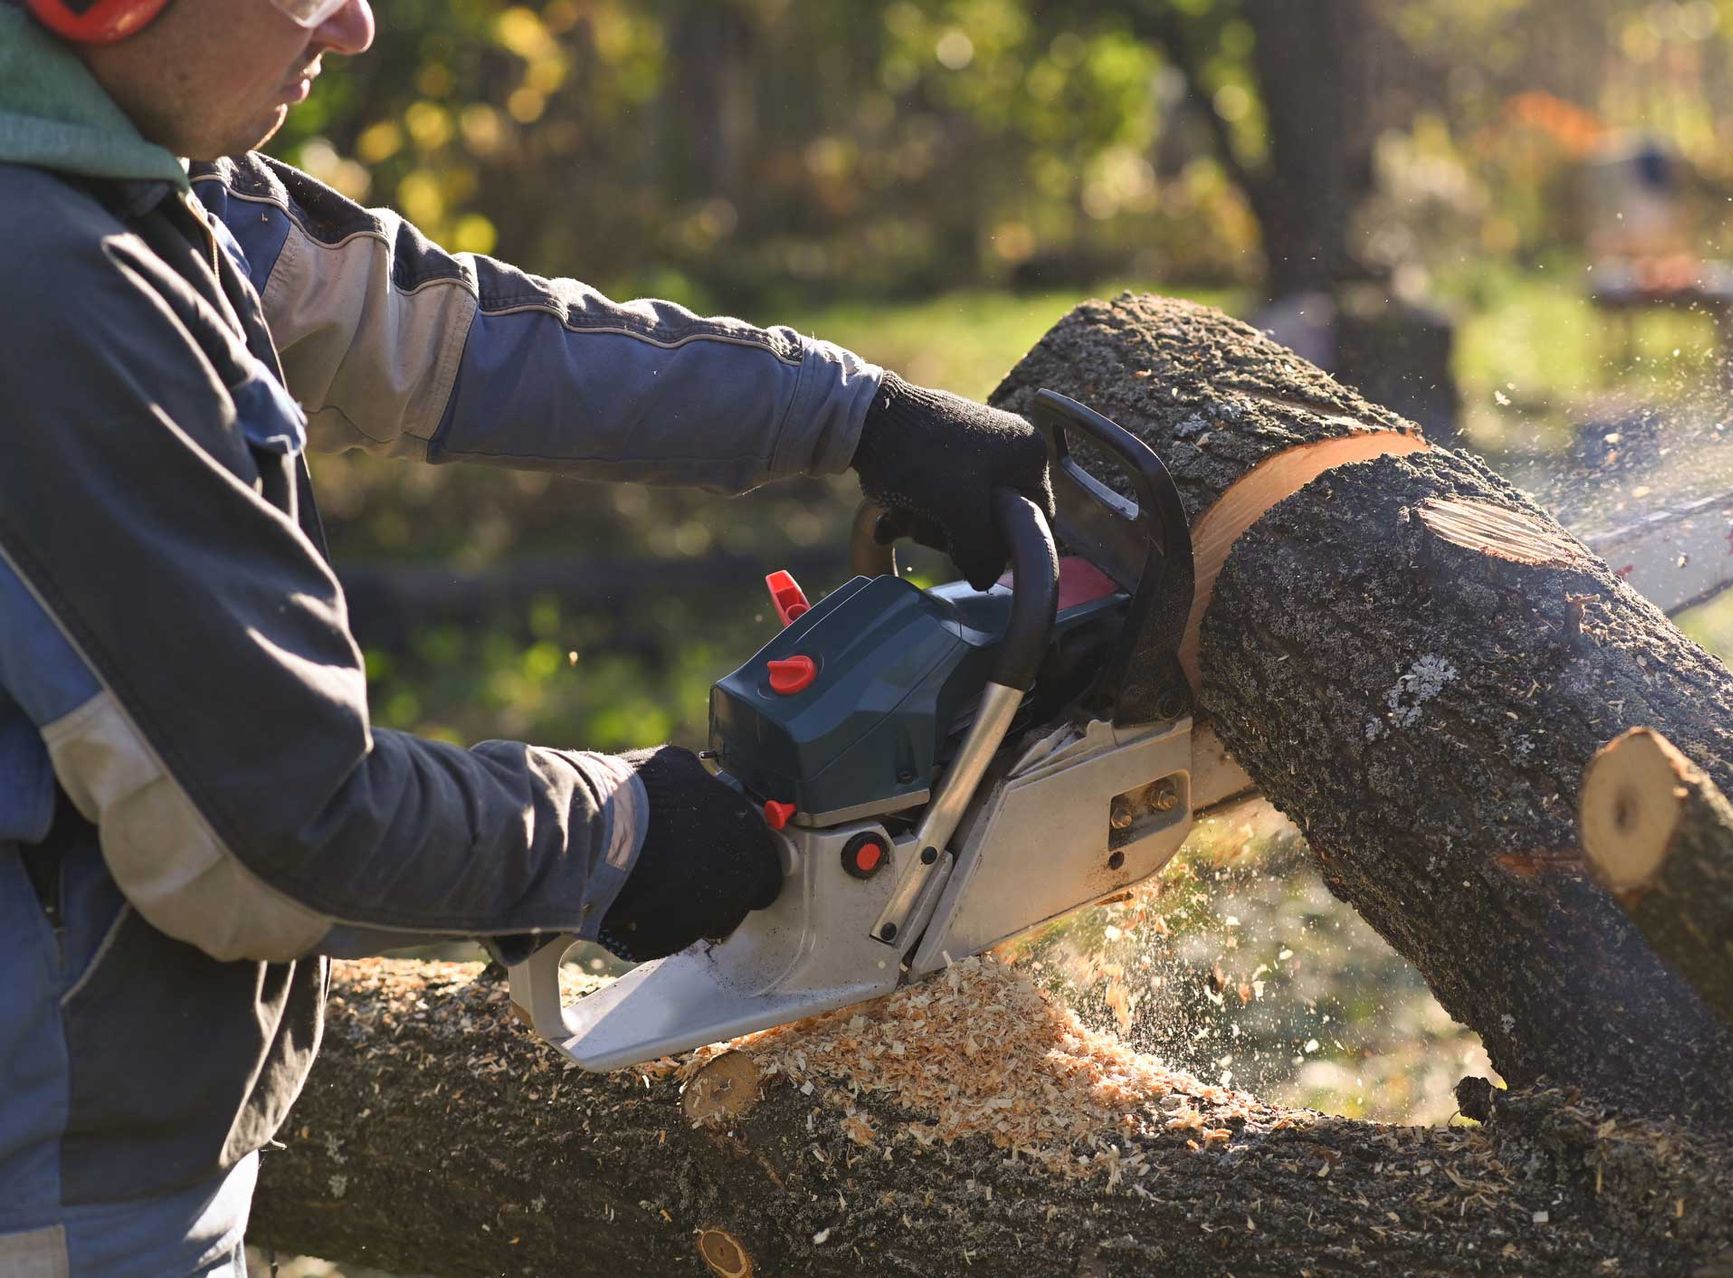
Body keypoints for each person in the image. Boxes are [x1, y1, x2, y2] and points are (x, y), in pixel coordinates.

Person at [0, 1, 1053, 1273]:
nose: (352, 25)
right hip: (54, 1200)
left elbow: (445, 336)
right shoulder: (49, 285)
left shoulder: (128, 185)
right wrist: (619, 833)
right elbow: (273, 833)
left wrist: (858, 417)